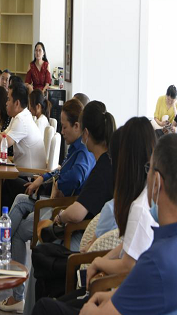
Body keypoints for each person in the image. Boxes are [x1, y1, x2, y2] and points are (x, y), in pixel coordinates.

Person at [18, 133, 177, 315]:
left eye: (148, 169)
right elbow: (149, 295)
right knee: (53, 310)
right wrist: (112, 300)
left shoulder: (158, 262)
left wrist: (88, 314)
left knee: (45, 314)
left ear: (156, 182)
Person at [0, 98, 95, 313]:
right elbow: (61, 170)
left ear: (77, 126)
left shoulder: (83, 153)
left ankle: (14, 288)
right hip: (52, 198)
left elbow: (72, 179)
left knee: (18, 232)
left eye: (65, 127)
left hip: (58, 208)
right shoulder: (76, 147)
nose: (62, 131)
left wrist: (57, 184)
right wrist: (45, 178)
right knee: (20, 199)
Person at [30, 102, 116, 301]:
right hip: (94, 232)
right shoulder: (108, 161)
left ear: (85, 133)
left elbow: (77, 213)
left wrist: (60, 217)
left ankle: (33, 313)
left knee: (40, 252)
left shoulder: (102, 168)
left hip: (87, 237)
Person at [84, 117, 158, 285]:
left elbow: (127, 267)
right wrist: (102, 260)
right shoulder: (150, 195)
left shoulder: (139, 207)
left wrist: (98, 262)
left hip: (128, 290)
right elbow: (128, 246)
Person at [0, 81, 46, 209]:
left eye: (8, 99)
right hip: (24, 173)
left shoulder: (22, 119)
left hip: (31, 179)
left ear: (17, 103)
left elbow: (2, 143)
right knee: (4, 177)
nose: (6, 103)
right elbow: (2, 136)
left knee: (5, 181)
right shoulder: (19, 116)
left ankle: (0, 217)